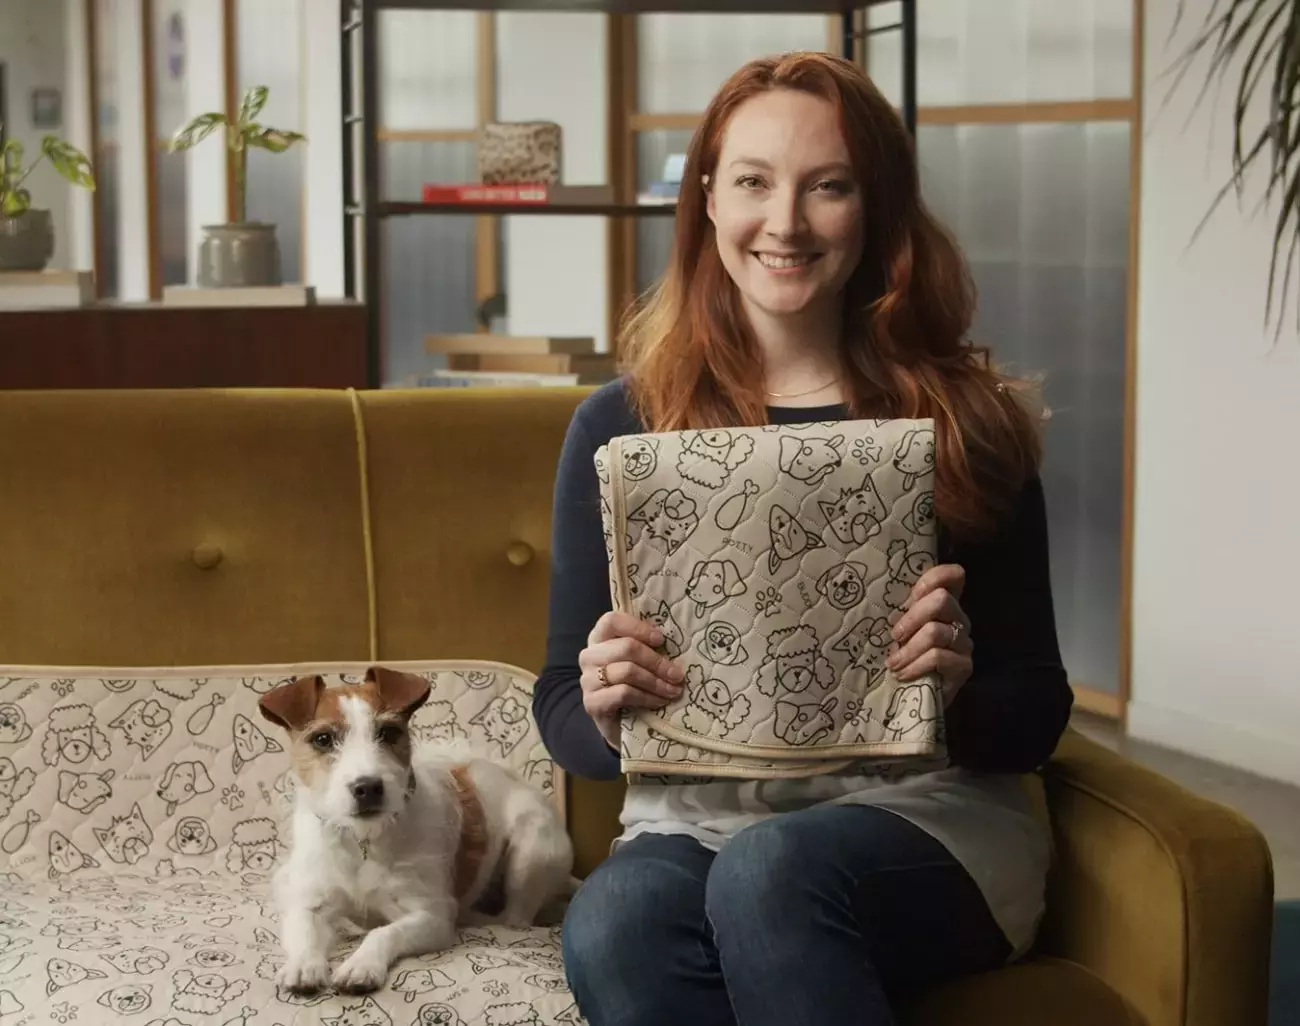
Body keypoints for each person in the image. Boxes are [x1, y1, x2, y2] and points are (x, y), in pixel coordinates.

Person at [532, 50, 1074, 1026]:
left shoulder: (963, 421)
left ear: (875, 209)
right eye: (751, 182)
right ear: (705, 197)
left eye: (827, 187)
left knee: (769, 874)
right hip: (691, 819)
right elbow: (563, 716)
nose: (783, 224)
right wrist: (608, 704)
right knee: (615, 922)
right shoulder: (621, 425)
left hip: (927, 821)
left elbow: (1034, 713)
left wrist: (955, 686)